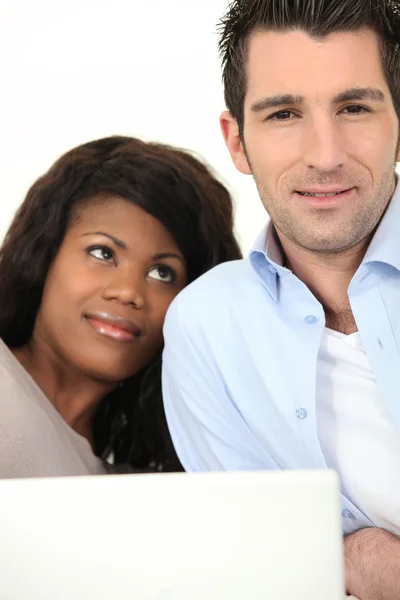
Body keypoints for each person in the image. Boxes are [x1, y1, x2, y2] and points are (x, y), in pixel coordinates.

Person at [162, 0, 400, 597]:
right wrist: (362, 557)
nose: (325, 154)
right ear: (237, 142)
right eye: (284, 113)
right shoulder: (206, 326)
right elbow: (260, 556)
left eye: (354, 107)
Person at [0, 135, 241, 478]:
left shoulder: (133, 489)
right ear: (44, 256)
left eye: (163, 273)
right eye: (103, 253)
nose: (128, 292)